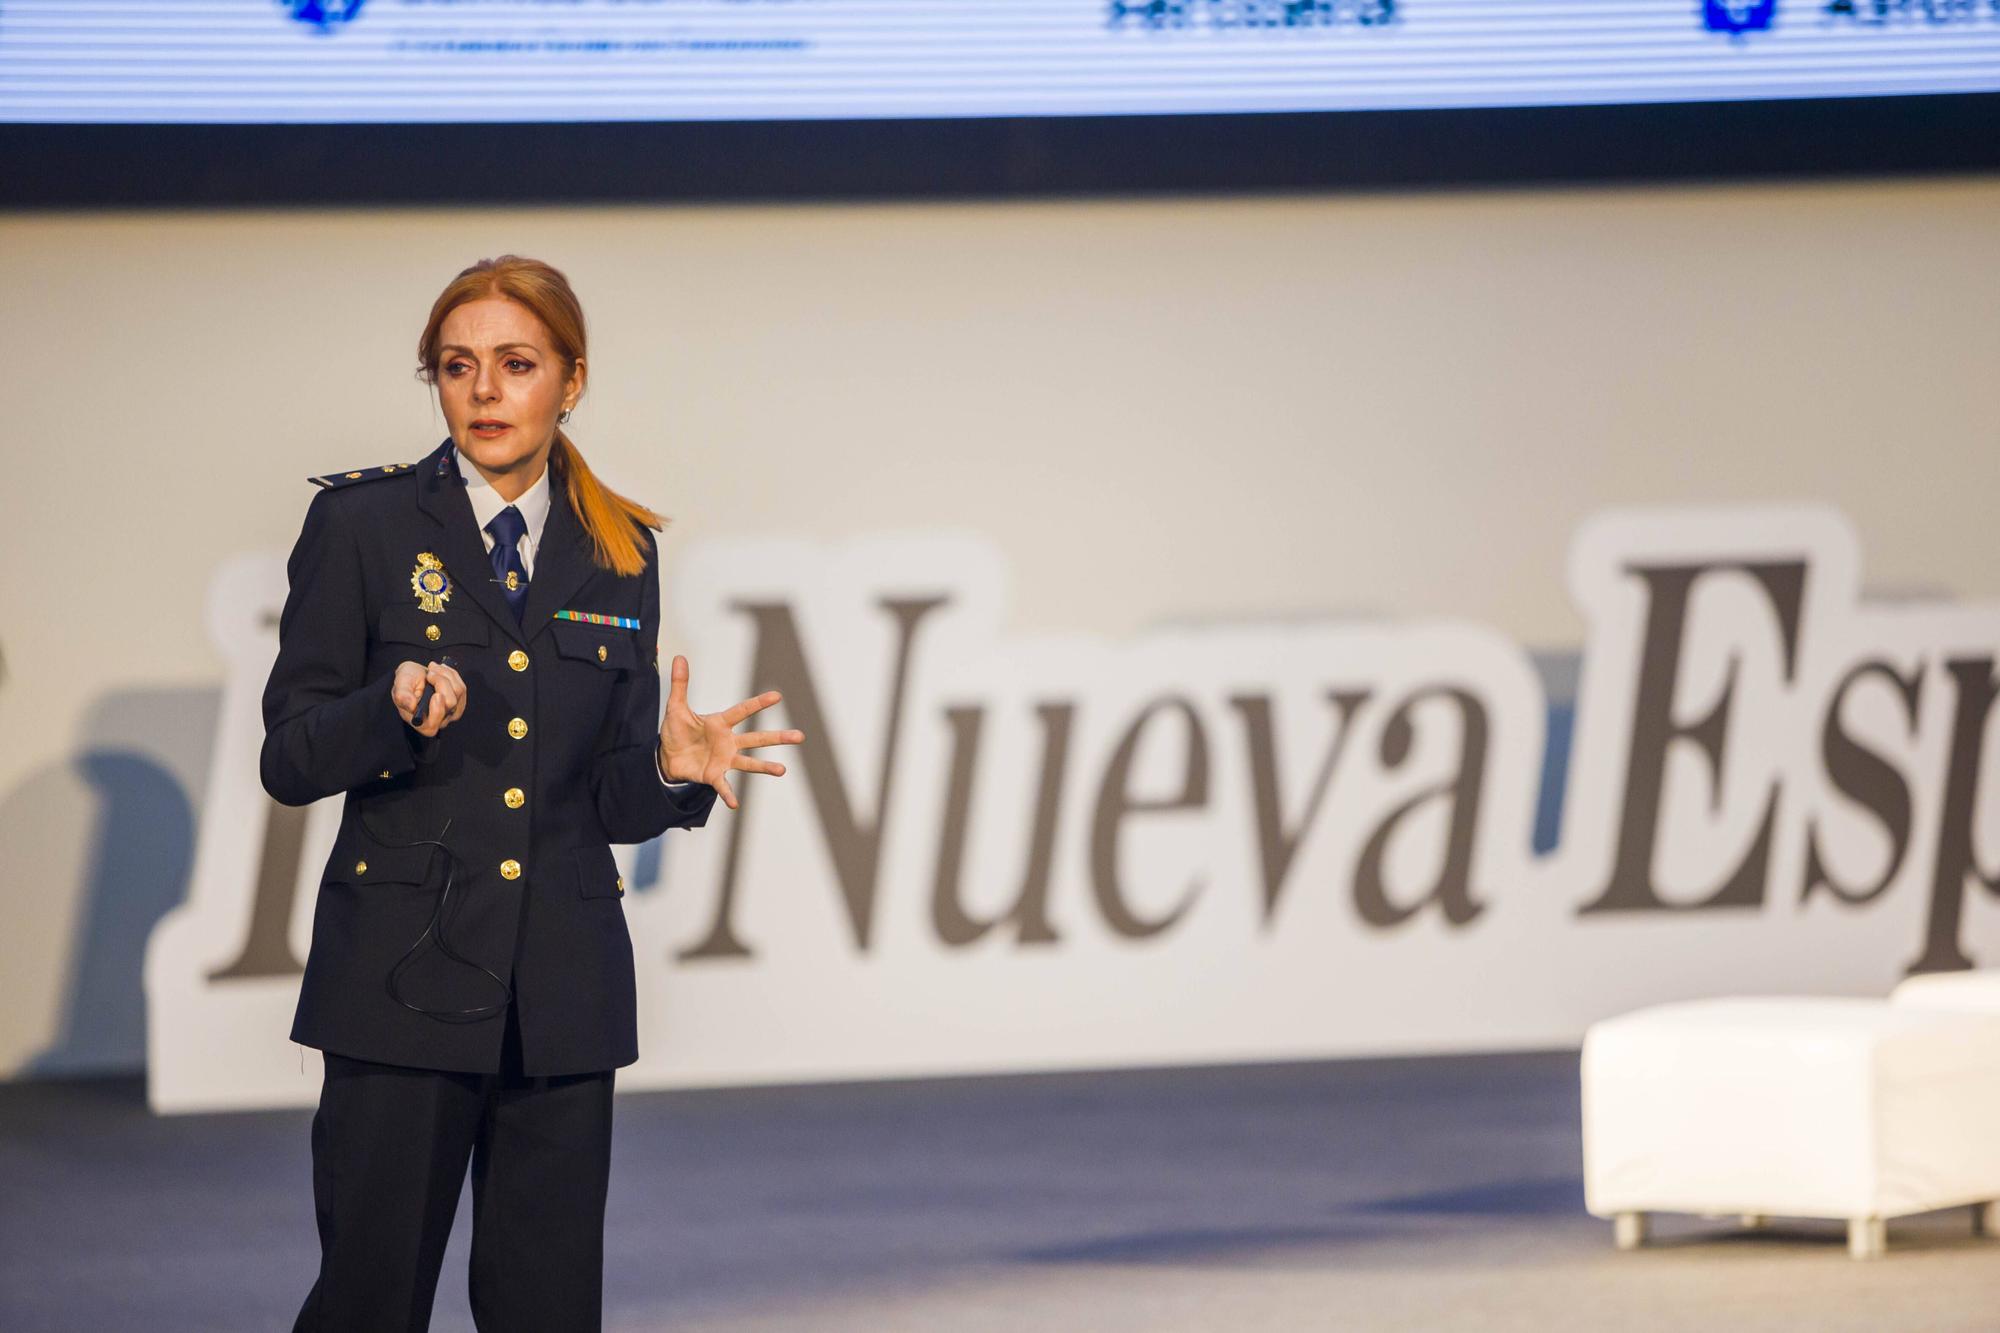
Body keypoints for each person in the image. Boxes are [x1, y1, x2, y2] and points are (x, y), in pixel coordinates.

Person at [260, 254, 804, 1332]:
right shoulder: (363, 528)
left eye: (516, 363)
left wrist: (666, 770)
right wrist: (387, 709)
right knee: (369, 1300)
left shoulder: (619, 547)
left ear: (571, 378)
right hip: (401, 985)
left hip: (559, 995)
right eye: (456, 367)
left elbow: (605, 800)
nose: (483, 390)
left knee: (547, 1308)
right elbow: (289, 757)